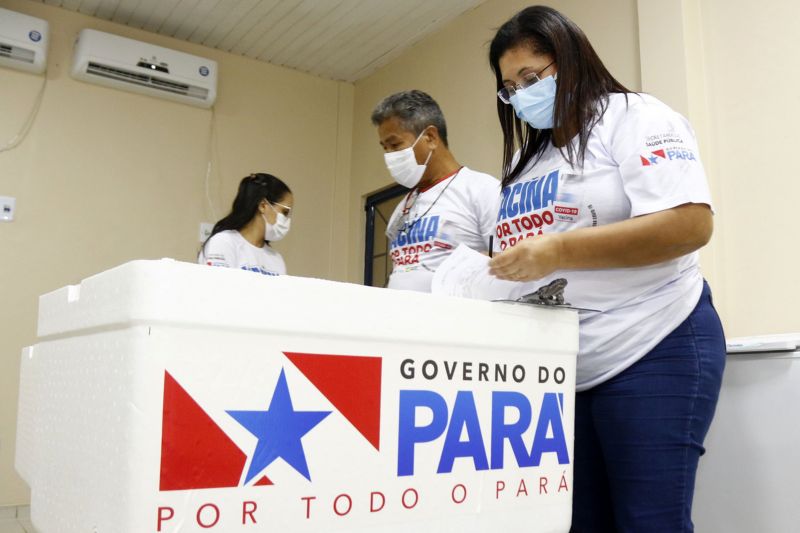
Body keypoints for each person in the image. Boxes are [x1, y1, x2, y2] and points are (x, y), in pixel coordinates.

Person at [486, 6, 725, 532]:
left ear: (570, 58)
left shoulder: (635, 117)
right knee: (577, 522)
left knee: (648, 521)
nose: (522, 94)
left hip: (653, 340)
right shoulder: (528, 161)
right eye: (510, 86)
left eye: (532, 77)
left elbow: (688, 226)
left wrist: (555, 251)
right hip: (563, 367)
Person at [372, 90, 499, 292]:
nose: (389, 155)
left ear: (430, 137)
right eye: (384, 148)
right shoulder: (401, 208)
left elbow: (505, 261)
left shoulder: (482, 190)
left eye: (395, 144)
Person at [199, 172, 293, 276]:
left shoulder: (276, 259)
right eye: (284, 212)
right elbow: (219, 287)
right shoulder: (224, 242)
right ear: (263, 205)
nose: (286, 219)